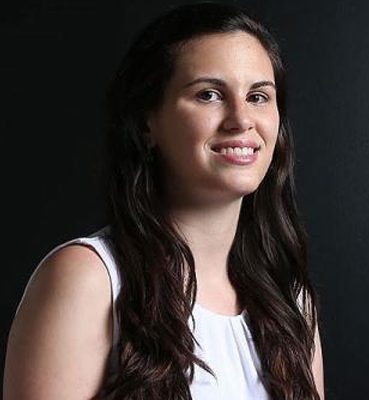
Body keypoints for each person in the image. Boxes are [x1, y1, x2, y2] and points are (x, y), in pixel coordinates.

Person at [3, 2, 324, 399]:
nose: (241, 119)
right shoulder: (90, 280)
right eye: (209, 94)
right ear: (147, 122)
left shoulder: (291, 301)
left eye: (258, 96)